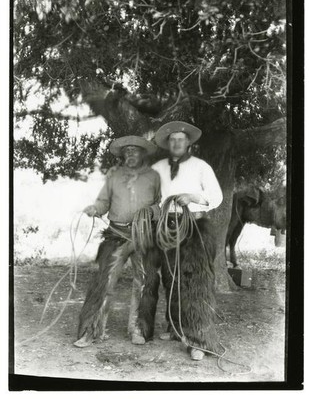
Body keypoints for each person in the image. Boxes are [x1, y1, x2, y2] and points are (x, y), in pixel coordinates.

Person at [136, 121, 223, 360]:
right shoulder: (158, 168)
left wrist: (195, 196)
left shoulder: (201, 167)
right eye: (172, 140)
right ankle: (175, 328)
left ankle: (200, 341)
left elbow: (216, 197)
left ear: (188, 142)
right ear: (168, 144)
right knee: (170, 277)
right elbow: (149, 196)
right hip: (165, 227)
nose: (176, 143)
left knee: (195, 282)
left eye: (181, 139)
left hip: (194, 225)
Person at [73, 135, 160, 348]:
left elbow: (160, 204)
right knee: (104, 280)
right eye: (127, 151)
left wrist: (150, 210)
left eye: (135, 150)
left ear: (143, 153)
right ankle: (91, 330)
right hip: (115, 233)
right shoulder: (113, 175)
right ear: (123, 155)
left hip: (144, 236)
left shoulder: (154, 176)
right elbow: (103, 201)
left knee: (144, 282)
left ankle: (139, 329)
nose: (131, 154)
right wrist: (96, 209)